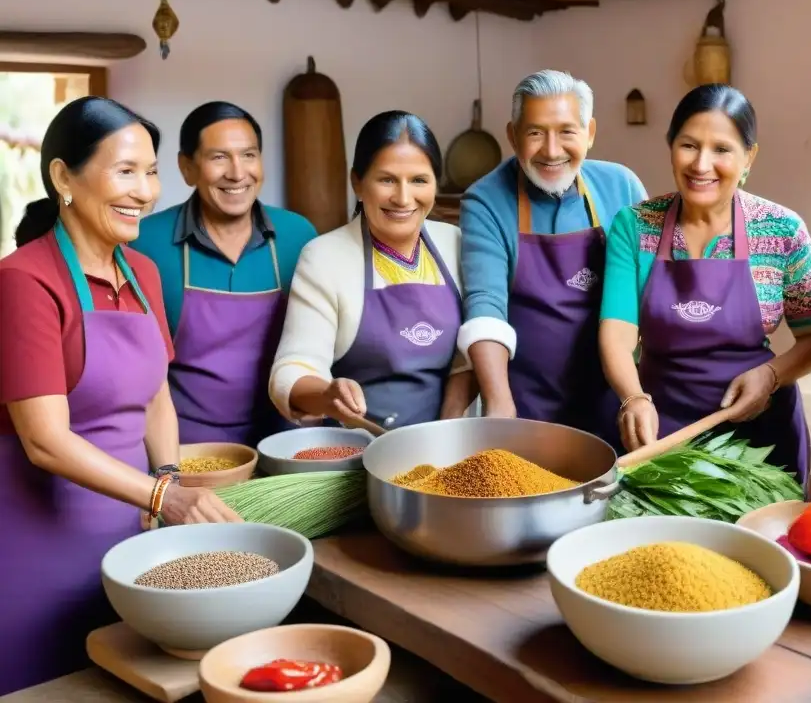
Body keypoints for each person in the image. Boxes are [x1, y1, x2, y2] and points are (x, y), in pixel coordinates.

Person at [0, 97, 240, 696]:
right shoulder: (23, 281)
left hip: (134, 531)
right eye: (125, 171)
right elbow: (45, 441)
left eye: (151, 171)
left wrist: (166, 481)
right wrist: (165, 494)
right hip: (38, 541)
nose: (145, 190)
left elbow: (156, 391)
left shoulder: (143, 274)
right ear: (63, 177)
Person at [600, 85, 811, 482]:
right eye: (689, 145)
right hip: (659, 428)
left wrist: (771, 376)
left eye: (722, 149)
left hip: (759, 436)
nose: (701, 164)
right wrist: (633, 397)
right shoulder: (636, 225)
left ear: (749, 157)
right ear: (671, 146)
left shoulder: (781, 230)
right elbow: (617, 335)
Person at [458, 70, 647, 448]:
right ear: (512, 136)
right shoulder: (485, 201)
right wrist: (499, 405)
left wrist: (640, 395)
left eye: (566, 131)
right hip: (527, 408)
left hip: (618, 402)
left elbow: (649, 290)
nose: (551, 149)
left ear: (589, 132)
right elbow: (486, 305)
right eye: (535, 133)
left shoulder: (622, 186)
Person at [269, 111, 475, 429]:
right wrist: (327, 394)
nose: (403, 198)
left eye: (419, 180)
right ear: (358, 183)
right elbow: (293, 369)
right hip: (352, 454)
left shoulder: (457, 244)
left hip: (437, 454)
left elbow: (467, 360)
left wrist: (448, 430)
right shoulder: (324, 257)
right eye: (387, 179)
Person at [130, 102, 317, 446]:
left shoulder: (299, 237)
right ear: (187, 168)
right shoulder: (146, 243)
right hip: (186, 451)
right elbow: (133, 371)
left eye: (249, 155)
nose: (237, 172)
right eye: (219, 157)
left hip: (285, 443)